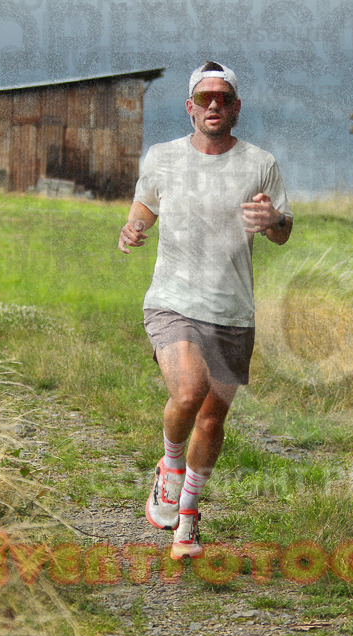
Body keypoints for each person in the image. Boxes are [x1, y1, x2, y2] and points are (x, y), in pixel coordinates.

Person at [118, 61, 293, 560]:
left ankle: (187, 520)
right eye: (204, 98)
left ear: (236, 107)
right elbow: (144, 204)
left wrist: (274, 219)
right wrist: (133, 227)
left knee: (213, 422)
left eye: (223, 98)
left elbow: (282, 231)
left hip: (233, 311)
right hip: (172, 301)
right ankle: (170, 468)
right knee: (189, 390)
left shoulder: (261, 164)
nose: (213, 105)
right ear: (190, 107)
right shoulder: (163, 157)